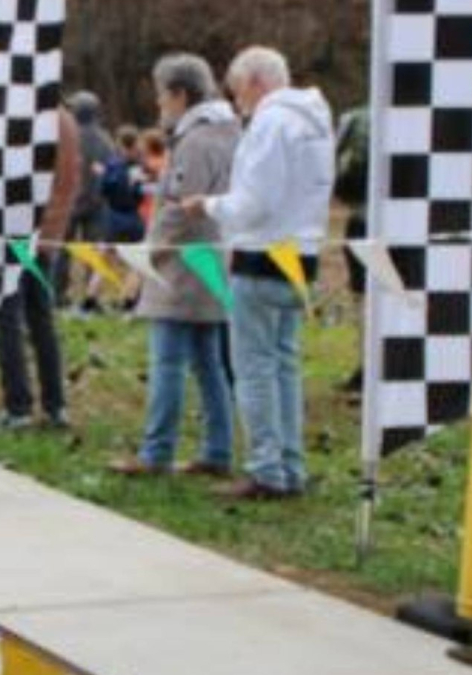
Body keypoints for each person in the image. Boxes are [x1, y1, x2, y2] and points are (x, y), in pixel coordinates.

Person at [183, 47, 336, 500]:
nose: (236, 105)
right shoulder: (315, 122)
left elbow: (253, 204)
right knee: (284, 367)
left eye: (236, 93)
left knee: (253, 369)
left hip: (261, 255)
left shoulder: (271, 124)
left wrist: (208, 205)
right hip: (300, 256)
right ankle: (290, 465)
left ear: (253, 82)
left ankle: (267, 470)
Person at [109, 53, 240, 479]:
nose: (159, 103)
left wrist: (144, 259)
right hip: (213, 261)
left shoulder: (197, 141)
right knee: (209, 364)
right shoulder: (231, 132)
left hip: (183, 268)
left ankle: (156, 452)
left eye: (162, 94)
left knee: (167, 363)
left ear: (181, 95)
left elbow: (177, 211)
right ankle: (217, 450)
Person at [0, 108, 79, 430]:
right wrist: (54, 230)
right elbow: (70, 180)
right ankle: (56, 407)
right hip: (46, 234)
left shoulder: (18, 113)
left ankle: (19, 407)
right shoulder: (64, 119)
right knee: (41, 320)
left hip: (13, 230)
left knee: (8, 319)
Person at [55, 90, 114, 312]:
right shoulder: (105, 139)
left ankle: (57, 296)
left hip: (68, 202)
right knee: (93, 252)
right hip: (97, 203)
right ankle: (92, 298)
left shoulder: (65, 137)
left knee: (61, 252)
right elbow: (111, 171)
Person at [334, 105, 370, 396]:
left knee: (364, 298)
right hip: (410, 223)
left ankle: (368, 364)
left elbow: (339, 166)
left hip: (363, 218)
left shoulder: (354, 119)